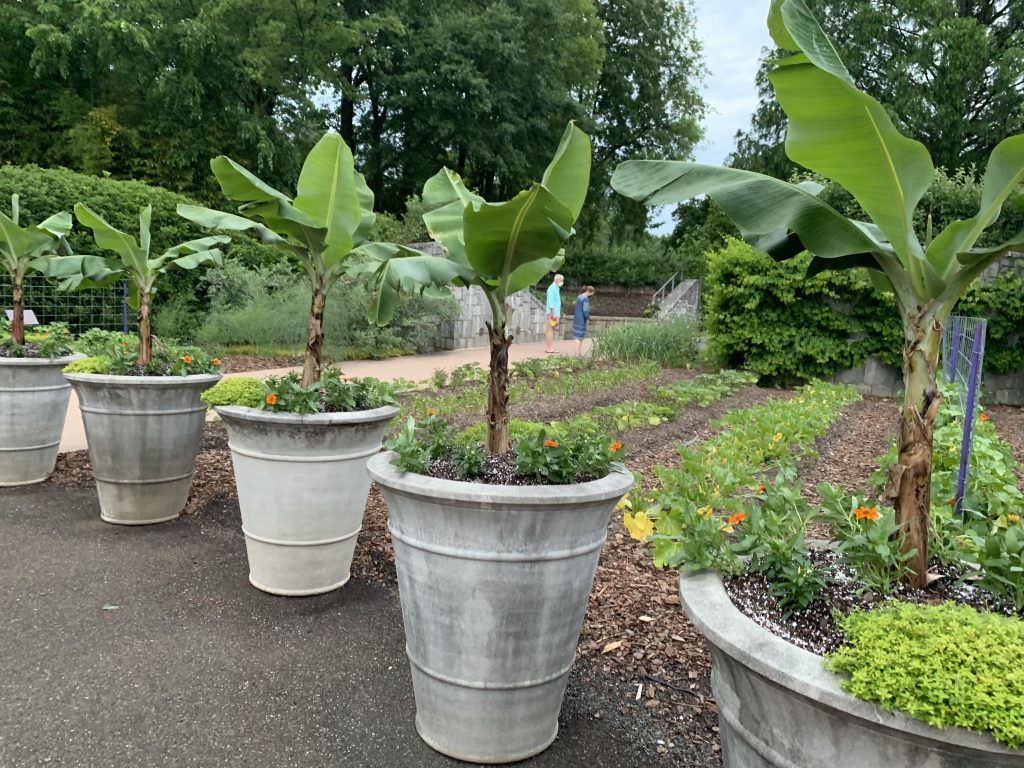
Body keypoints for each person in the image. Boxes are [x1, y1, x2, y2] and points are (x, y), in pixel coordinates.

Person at [572, 285, 595, 356]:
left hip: (576, 318)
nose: (592, 295)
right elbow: (586, 311)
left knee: (578, 336)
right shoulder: (586, 299)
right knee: (579, 337)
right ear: (589, 291)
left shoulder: (579, 297)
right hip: (582, 320)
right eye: (592, 293)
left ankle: (578, 353)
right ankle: (577, 354)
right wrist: (588, 318)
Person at [544, 274, 564, 353]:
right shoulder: (552, 288)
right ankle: (549, 348)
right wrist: (553, 313)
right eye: (561, 280)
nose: (562, 282)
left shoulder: (556, 288)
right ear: (557, 280)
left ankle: (550, 347)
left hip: (554, 313)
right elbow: (551, 302)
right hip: (552, 313)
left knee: (551, 330)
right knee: (550, 330)